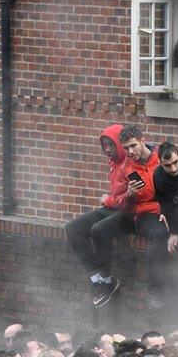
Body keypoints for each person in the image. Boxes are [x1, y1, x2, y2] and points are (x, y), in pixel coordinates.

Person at [85, 125, 168, 308]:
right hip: (138, 213)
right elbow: (120, 203)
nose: (130, 152)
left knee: (159, 235)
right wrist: (129, 194)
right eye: (126, 148)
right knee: (98, 229)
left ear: (142, 141)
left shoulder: (162, 158)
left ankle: (156, 289)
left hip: (159, 211)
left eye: (133, 146)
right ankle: (106, 280)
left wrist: (168, 213)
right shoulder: (125, 168)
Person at [63, 124, 128, 307]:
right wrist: (110, 201)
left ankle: (108, 280)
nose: (107, 149)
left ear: (120, 144)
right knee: (73, 228)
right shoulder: (113, 162)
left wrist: (107, 200)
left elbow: (129, 200)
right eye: (104, 145)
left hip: (128, 213)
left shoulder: (130, 165)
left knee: (98, 230)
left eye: (111, 145)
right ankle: (96, 278)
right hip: (112, 207)